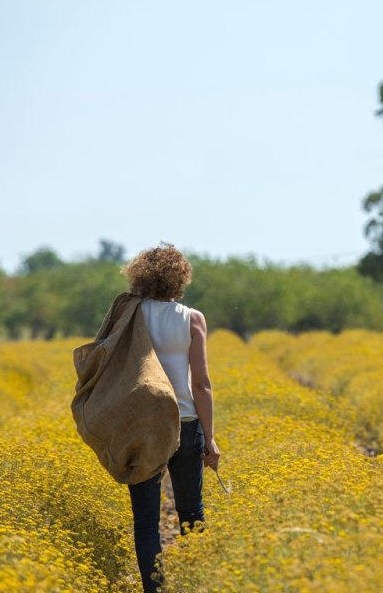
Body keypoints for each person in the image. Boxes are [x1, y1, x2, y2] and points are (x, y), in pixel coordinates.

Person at [119, 243, 221, 592]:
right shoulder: (192, 318)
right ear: (180, 277)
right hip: (186, 421)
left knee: (146, 521)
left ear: (140, 275)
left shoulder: (131, 315)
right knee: (192, 514)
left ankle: (155, 590)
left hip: (145, 425)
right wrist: (211, 439)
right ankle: (198, 584)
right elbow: (202, 383)